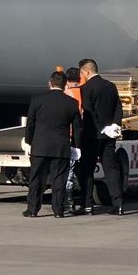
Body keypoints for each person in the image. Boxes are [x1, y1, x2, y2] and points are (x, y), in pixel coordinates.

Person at [22, 70, 83, 218]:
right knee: (59, 180)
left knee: (36, 179)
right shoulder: (72, 103)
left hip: (40, 146)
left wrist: (29, 141)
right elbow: (77, 128)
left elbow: (31, 123)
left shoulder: (37, 100)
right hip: (61, 147)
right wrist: (76, 146)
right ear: (65, 86)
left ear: (49, 83)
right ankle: (58, 210)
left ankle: (32, 209)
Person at [77, 58, 125, 215]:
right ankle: (118, 204)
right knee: (111, 169)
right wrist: (115, 125)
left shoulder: (85, 88)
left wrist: (101, 129)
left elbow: (88, 112)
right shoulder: (110, 86)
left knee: (87, 170)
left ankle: (87, 205)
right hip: (109, 135)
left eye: (81, 73)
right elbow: (118, 107)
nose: (81, 76)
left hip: (92, 135)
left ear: (87, 72)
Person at [63, 66, 84, 213]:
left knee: (67, 172)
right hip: (83, 135)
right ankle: (82, 200)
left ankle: (68, 201)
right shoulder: (85, 93)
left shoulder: (66, 95)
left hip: (67, 135)